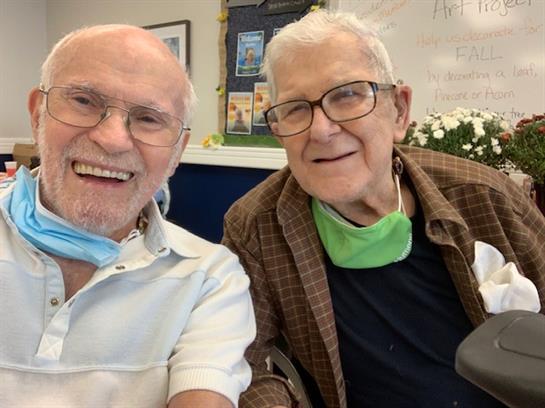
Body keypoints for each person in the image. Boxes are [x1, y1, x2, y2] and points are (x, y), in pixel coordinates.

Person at [222, 10, 545, 408]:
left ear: (399, 111)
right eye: (294, 108)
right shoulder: (256, 227)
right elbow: (242, 366)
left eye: (347, 95)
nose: (321, 130)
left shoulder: (485, 197)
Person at [0, 24, 255, 407]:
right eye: (84, 100)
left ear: (177, 151)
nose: (113, 139)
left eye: (149, 118)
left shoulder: (209, 279)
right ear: (38, 114)